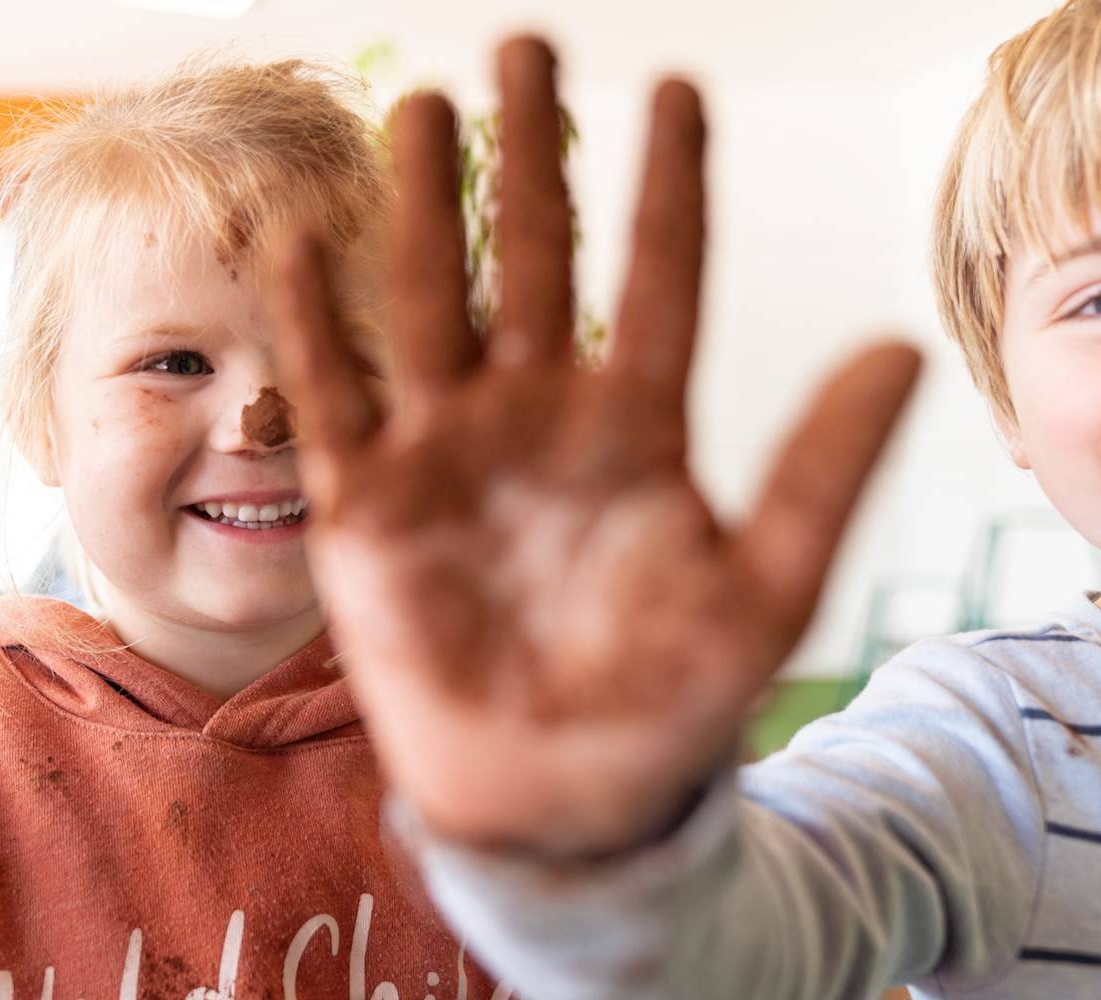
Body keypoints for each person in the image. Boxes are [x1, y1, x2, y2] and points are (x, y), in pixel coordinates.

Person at [271, 5, 1100, 1000]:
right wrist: (591, 847)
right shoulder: (993, 743)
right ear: (1006, 403)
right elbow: (721, 954)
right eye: (1094, 300)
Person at [0, 61, 518, 997]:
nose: (260, 421)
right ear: (40, 421)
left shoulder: (508, 748)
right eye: (176, 361)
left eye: (334, 359)